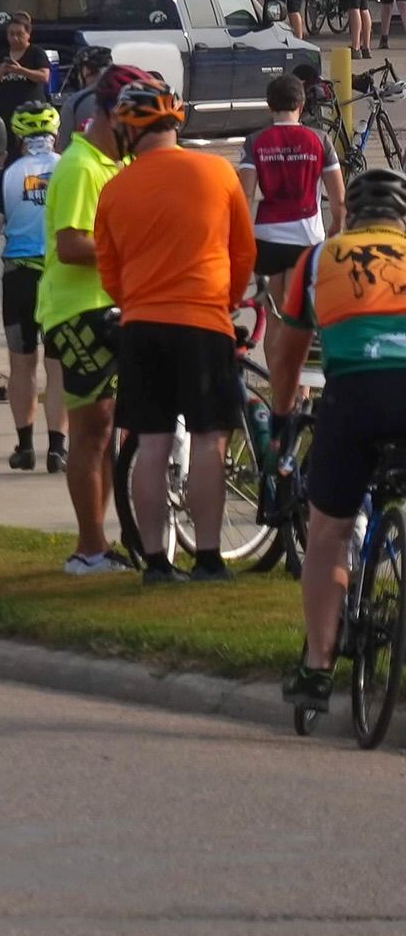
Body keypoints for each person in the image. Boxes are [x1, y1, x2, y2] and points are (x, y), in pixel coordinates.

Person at [91, 73, 255, 581]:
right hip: (204, 319)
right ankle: (209, 557)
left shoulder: (115, 190)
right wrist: (223, 304)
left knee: (152, 442)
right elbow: (244, 252)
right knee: (210, 439)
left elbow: (109, 270)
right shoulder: (218, 173)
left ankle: (157, 562)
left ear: (131, 130)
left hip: (142, 325)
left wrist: (136, 301)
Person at [288, 165, 406, 723]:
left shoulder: (317, 259)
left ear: (351, 215)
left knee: (328, 533)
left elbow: (289, 349)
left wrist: (285, 411)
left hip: (353, 394)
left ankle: (318, 666)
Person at [37, 78, 143, 572]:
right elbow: (71, 245)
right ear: (109, 114)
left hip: (111, 307)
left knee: (110, 428)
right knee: (93, 429)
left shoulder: (119, 164)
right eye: (131, 117)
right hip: (78, 311)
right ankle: (88, 546)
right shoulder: (81, 166)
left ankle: (100, 541)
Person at [244, 70, 343, 438]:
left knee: (275, 315)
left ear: (270, 105)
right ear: (301, 104)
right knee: (304, 317)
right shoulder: (320, 139)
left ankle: (278, 391)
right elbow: (338, 198)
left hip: (268, 236)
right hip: (308, 237)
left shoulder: (256, 141)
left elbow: (245, 196)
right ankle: (300, 390)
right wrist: (335, 231)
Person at [0, 104, 65, 477]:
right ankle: (58, 449)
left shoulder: (7, 176)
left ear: (18, 138)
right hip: (61, 279)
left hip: (19, 279)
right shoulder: (71, 168)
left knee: (22, 365)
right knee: (58, 365)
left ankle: (25, 445)